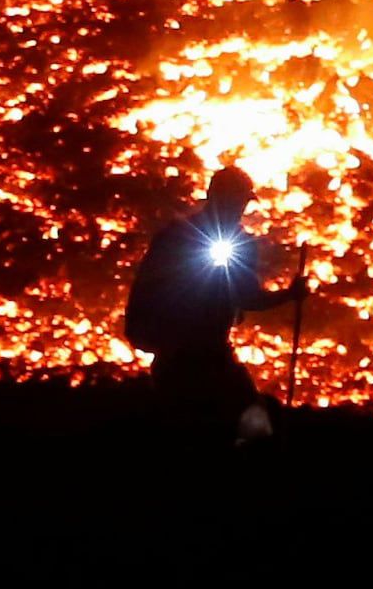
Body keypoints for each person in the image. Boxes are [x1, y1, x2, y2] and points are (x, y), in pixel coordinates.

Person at [121, 163, 293, 448]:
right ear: (218, 198)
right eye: (236, 201)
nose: (239, 209)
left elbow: (246, 296)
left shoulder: (221, 241)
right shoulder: (181, 240)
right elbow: (153, 290)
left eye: (241, 203)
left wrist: (288, 295)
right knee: (209, 432)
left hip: (203, 354)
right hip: (185, 357)